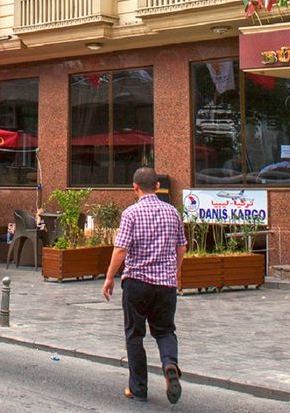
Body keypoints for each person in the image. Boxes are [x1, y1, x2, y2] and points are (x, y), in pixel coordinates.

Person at [102, 167, 185, 405]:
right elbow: (182, 248)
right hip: (166, 284)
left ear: (134, 188)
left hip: (137, 283)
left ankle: (138, 388)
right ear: (158, 187)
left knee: (135, 335)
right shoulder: (172, 213)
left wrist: (109, 277)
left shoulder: (131, 213)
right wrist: (174, 271)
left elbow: (121, 249)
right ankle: (169, 363)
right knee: (165, 330)